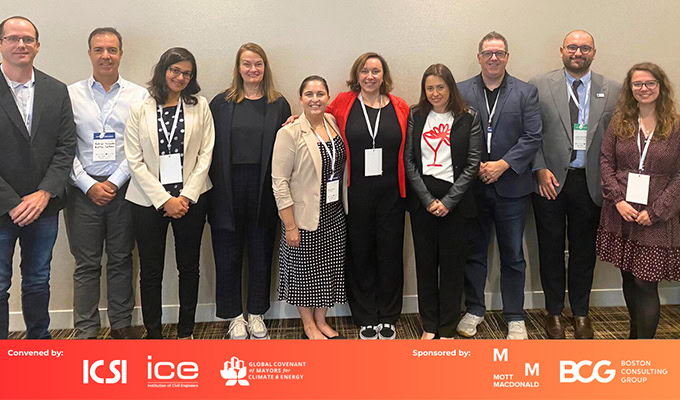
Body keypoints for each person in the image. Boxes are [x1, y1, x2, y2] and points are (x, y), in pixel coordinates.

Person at [530, 30, 621, 339]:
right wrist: (539, 168)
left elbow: (617, 141)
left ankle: (581, 312)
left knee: (584, 252)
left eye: (584, 48)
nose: (577, 52)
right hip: (550, 182)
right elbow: (530, 133)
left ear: (594, 52)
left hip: (590, 183)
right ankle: (554, 312)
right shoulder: (539, 85)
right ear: (561, 50)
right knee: (551, 249)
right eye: (572, 47)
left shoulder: (614, 89)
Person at [457, 32, 542, 340]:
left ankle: (515, 316)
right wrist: (476, 167)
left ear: (507, 57)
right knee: (474, 251)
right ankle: (475, 309)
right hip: (474, 186)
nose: (494, 58)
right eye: (488, 53)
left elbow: (532, 136)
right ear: (479, 57)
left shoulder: (525, 92)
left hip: (512, 187)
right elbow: (453, 134)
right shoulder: (461, 90)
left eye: (499, 53)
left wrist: (502, 165)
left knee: (513, 255)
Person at [124, 47, 214, 339]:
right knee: (151, 272)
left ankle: (185, 330)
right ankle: (154, 333)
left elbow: (206, 154)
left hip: (192, 200)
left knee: (189, 268)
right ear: (163, 70)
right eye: (175, 70)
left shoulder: (200, 105)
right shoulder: (140, 107)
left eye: (187, 73)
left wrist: (185, 197)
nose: (180, 77)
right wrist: (164, 200)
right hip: (147, 201)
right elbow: (134, 160)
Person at [66, 27, 148, 340]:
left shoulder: (138, 95)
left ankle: (121, 326)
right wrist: (88, 183)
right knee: (86, 264)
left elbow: (140, 146)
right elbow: (64, 146)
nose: (105, 56)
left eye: (112, 50)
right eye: (99, 49)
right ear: (89, 53)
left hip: (124, 189)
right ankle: (86, 329)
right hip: (82, 191)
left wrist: (114, 182)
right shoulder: (70, 94)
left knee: (122, 259)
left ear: (120, 54)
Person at [0, 16, 76, 339]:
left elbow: (66, 146)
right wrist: (13, 202)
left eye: (28, 39)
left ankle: (38, 350)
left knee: (37, 280)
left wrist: (44, 193)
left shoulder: (56, 90)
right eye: (13, 38)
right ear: (1, 44)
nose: (21, 45)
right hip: (2, 208)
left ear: (38, 46)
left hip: (44, 208)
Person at [324, 52, 409, 340]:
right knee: (359, 253)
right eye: (365, 71)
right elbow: (317, 118)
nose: (370, 76)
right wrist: (294, 120)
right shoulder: (344, 102)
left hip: (392, 194)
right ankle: (364, 315)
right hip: (355, 193)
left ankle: (388, 315)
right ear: (357, 75)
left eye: (376, 71)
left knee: (390, 254)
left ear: (384, 75)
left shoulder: (399, 107)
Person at [208, 43, 290, 340]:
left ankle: (256, 313)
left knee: (260, 252)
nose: (252, 69)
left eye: (258, 64)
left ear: (265, 68)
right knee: (227, 254)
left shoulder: (278, 104)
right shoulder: (221, 103)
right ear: (238, 68)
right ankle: (233, 316)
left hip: (263, 189)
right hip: (226, 188)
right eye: (246, 64)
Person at [597, 62, 680, 339]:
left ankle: (644, 349)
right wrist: (618, 200)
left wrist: (656, 211)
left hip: (657, 215)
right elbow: (607, 161)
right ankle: (634, 337)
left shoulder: (676, 125)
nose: (643, 89)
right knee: (629, 277)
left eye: (649, 83)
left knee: (646, 282)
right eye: (637, 84)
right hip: (622, 211)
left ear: (661, 87)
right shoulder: (619, 122)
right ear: (630, 89)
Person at [404, 64, 482, 339]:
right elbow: (409, 160)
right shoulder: (416, 115)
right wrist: (427, 199)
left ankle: (447, 327)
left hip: (456, 201)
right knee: (425, 266)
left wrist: (448, 201)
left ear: (450, 87)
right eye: (430, 88)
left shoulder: (468, 116)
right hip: (422, 200)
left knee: (452, 267)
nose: (435, 93)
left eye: (440, 87)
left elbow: (473, 163)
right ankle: (430, 326)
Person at [272, 76, 347, 340]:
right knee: (304, 271)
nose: (315, 99)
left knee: (330, 268)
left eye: (320, 94)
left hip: (334, 212)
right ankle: (308, 325)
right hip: (303, 216)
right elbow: (279, 183)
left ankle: (321, 319)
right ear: (300, 98)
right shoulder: (289, 132)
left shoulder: (333, 122)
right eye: (309, 94)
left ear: (328, 97)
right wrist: (289, 225)